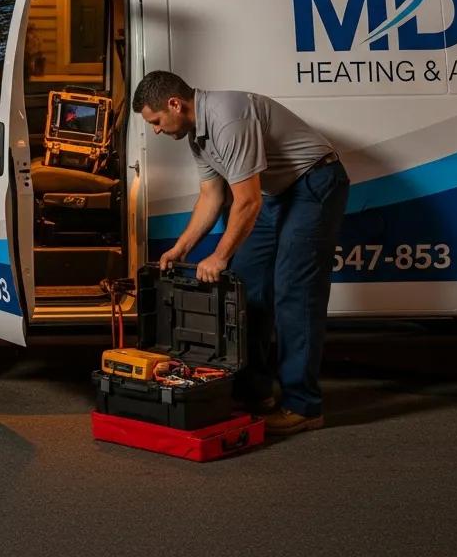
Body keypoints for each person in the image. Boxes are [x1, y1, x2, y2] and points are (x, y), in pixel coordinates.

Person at [132, 70, 349, 435]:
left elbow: (246, 202)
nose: (156, 129)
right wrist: (181, 247)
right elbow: (212, 197)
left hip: (315, 183)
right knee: (245, 289)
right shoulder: (198, 137)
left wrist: (218, 255)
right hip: (277, 194)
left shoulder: (228, 117)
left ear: (174, 104)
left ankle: (303, 405)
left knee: (294, 292)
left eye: (155, 121)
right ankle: (256, 393)